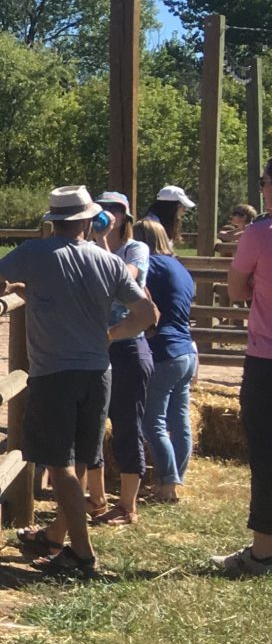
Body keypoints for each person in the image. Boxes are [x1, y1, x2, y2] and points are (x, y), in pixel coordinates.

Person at [0, 185, 158, 580]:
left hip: (54, 373)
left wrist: (12, 288)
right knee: (78, 462)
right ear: (89, 221)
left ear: (53, 221)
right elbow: (147, 314)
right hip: (98, 371)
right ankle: (58, 538)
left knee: (59, 467)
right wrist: (111, 335)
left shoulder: (34, 254)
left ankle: (82, 555)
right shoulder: (108, 262)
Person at [218, 169, 272, 577]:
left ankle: (262, 553)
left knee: (266, 454)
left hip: (266, 360)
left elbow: (236, 290)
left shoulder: (258, 233)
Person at [93, 193, 152, 525]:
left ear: (126, 217)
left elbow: (120, 280)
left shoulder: (136, 249)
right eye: (101, 208)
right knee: (92, 425)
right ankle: (97, 498)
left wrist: (100, 240)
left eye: (113, 209)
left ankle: (128, 506)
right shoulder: (88, 244)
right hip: (98, 346)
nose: (107, 214)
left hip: (129, 346)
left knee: (128, 425)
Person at [136, 217, 196, 506]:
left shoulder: (152, 267)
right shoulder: (180, 267)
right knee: (179, 419)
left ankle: (168, 482)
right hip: (186, 352)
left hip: (164, 350)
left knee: (152, 421)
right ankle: (175, 479)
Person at [145, 184, 194, 252]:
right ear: (173, 207)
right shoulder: (150, 226)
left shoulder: (161, 223)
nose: (185, 210)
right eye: (182, 205)